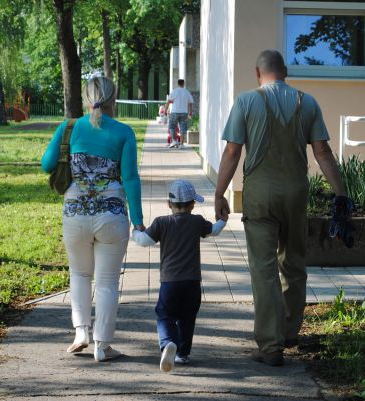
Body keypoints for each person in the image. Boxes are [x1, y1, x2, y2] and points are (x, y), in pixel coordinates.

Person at [214, 50, 351, 366]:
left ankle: (271, 346)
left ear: (257, 72)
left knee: (263, 269)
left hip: (260, 195)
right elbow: (323, 153)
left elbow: (232, 152)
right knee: (293, 262)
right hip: (295, 194)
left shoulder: (247, 101)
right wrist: (341, 194)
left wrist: (220, 193)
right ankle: (290, 333)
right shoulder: (308, 102)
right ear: (285, 71)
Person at [41, 76, 145, 362]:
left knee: (79, 274)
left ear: (87, 99)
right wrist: (138, 221)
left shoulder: (69, 128)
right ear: (113, 99)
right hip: (111, 217)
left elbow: (47, 164)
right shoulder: (124, 133)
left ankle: (81, 332)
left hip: (75, 215)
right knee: (108, 282)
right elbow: (131, 178)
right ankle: (102, 345)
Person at [132, 180, 225, 372]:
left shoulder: (161, 223)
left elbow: (142, 242)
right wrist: (223, 218)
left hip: (169, 282)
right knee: (187, 318)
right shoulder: (197, 221)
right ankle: (183, 354)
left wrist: (135, 230)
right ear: (192, 204)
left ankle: (167, 343)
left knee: (165, 315)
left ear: (169, 204)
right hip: (193, 283)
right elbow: (215, 230)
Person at [165, 79, 194, 149]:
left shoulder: (174, 91)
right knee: (183, 128)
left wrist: (165, 110)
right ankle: (181, 144)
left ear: (178, 84)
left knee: (172, 127)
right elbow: (191, 103)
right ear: (183, 84)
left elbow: (169, 102)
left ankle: (174, 141)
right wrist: (190, 113)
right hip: (184, 112)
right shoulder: (187, 92)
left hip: (174, 112)